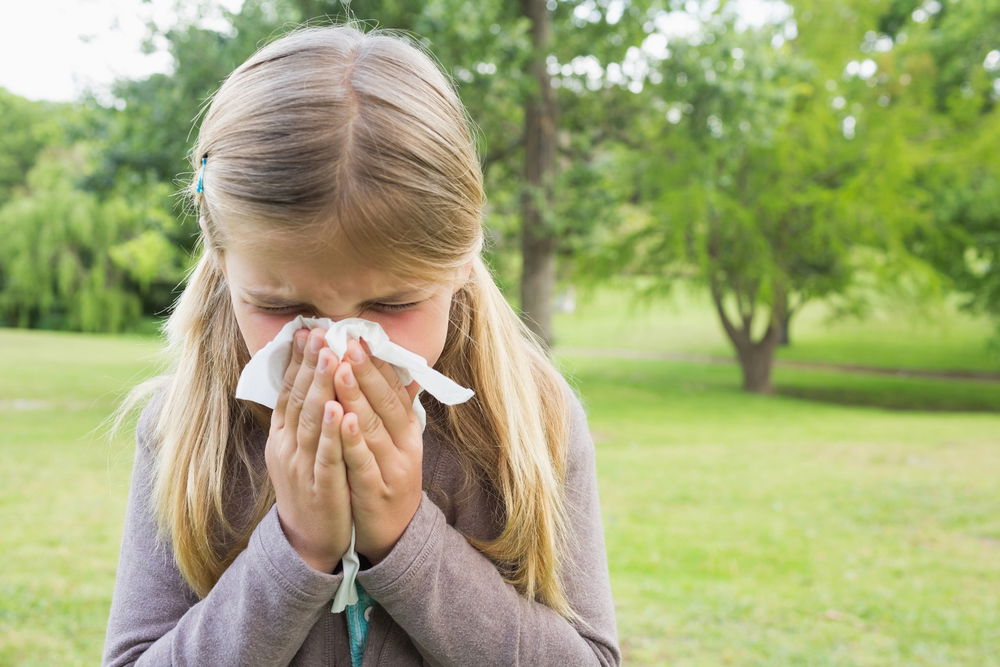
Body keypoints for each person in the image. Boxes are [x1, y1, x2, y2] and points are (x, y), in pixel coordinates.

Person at [103, 24, 619, 666]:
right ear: (223, 263)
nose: (339, 349)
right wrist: (295, 549)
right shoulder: (183, 428)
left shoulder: (533, 417)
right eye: (282, 306)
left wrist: (405, 538)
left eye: (393, 305)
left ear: (462, 260)